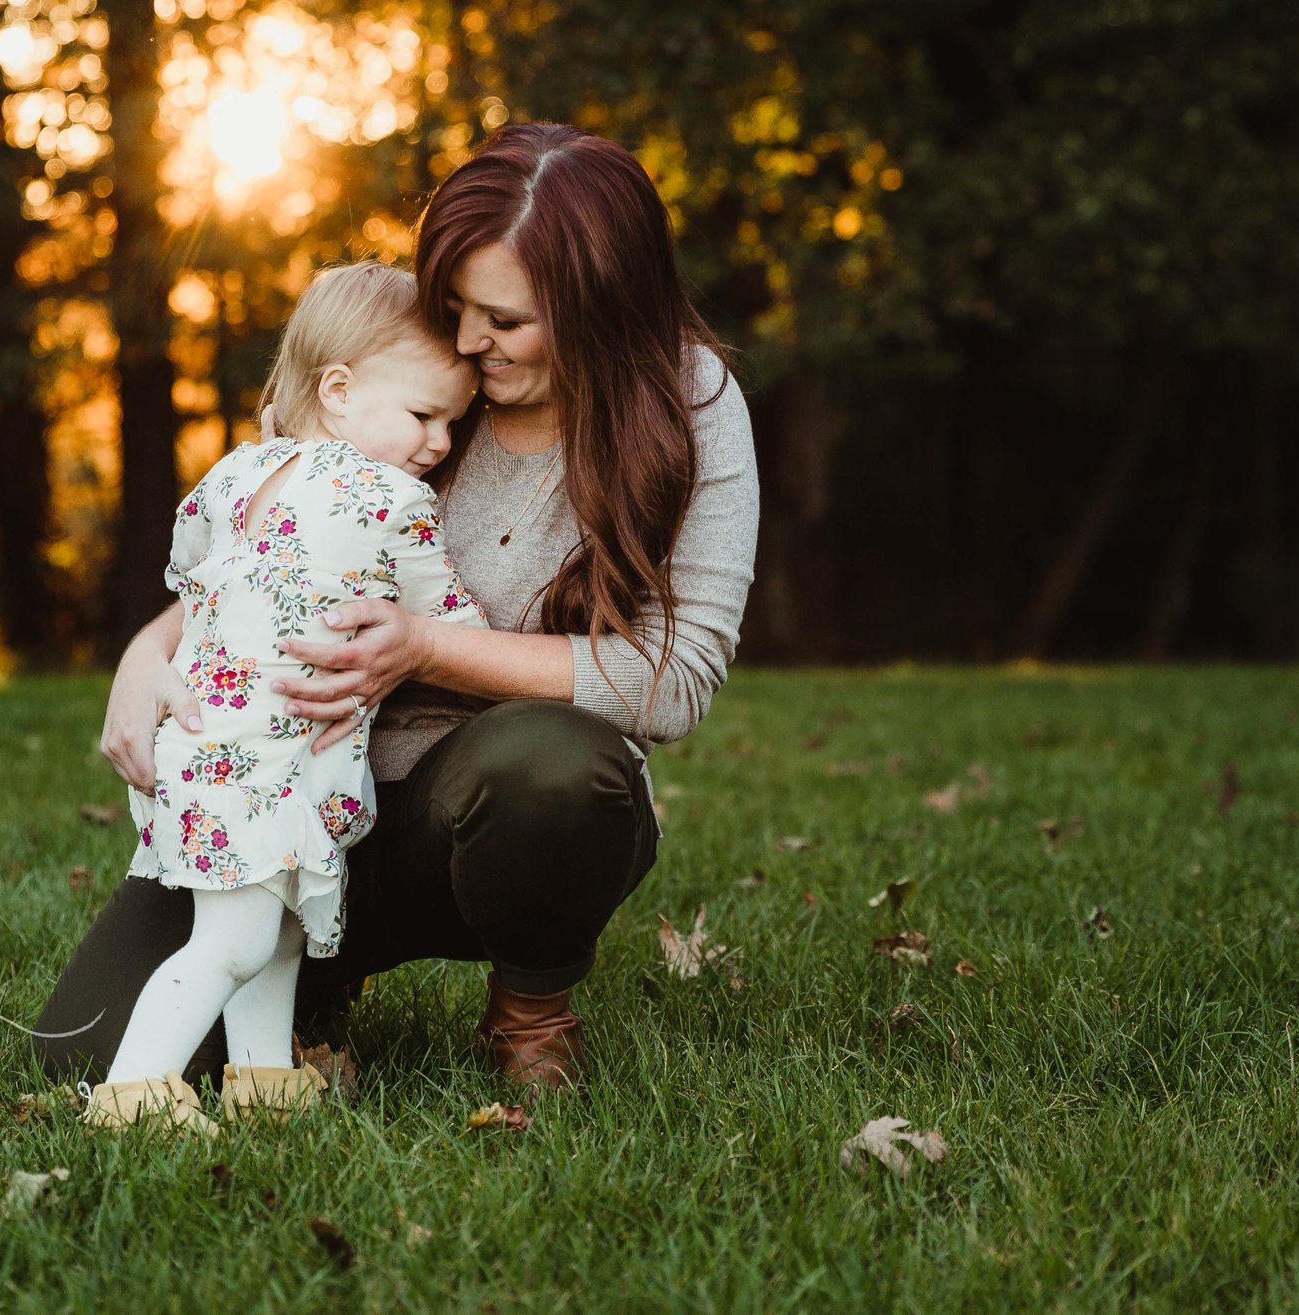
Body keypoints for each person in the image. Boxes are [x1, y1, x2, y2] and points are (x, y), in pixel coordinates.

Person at [37, 122, 759, 1095]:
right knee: (83, 1051)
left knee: (554, 768)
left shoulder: (687, 401)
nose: (466, 342)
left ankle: (530, 1004)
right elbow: (266, 557)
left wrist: (424, 644)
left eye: (504, 320)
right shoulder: (395, 371)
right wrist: (143, 659)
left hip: (481, 805)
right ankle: (316, 969)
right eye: (456, 304)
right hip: (289, 785)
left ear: (597, 302)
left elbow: (672, 681)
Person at [81, 264, 487, 1136]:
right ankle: (137, 1093)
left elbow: (192, 572)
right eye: (425, 415)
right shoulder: (392, 500)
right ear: (337, 391)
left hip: (203, 744)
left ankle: (263, 1081)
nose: (443, 442)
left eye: (455, 420)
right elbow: (458, 625)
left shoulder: (233, 474)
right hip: (265, 763)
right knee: (230, 942)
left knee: (276, 933)